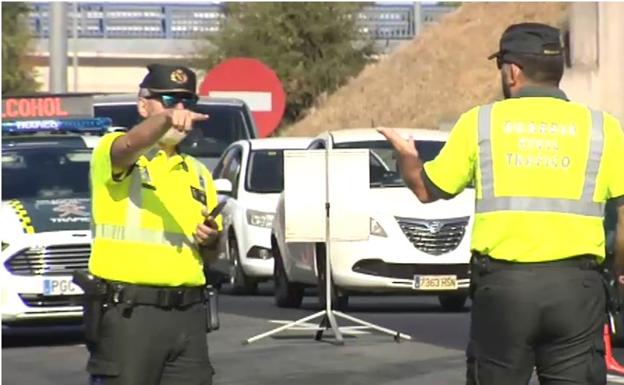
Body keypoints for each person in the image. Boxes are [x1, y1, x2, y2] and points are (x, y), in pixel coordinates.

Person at [379, 23, 624, 385]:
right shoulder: (603, 129)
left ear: (512, 72)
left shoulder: (480, 124)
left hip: (504, 293)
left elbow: (427, 190)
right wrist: (614, 276)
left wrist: (408, 159)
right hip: (577, 291)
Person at [85, 63, 222, 385]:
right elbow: (128, 147)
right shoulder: (116, 148)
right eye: (168, 100)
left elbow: (209, 256)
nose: (180, 110)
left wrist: (211, 240)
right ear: (143, 104)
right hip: (131, 314)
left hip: (188, 315)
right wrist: (163, 121)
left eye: (187, 103)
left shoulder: (198, 172)